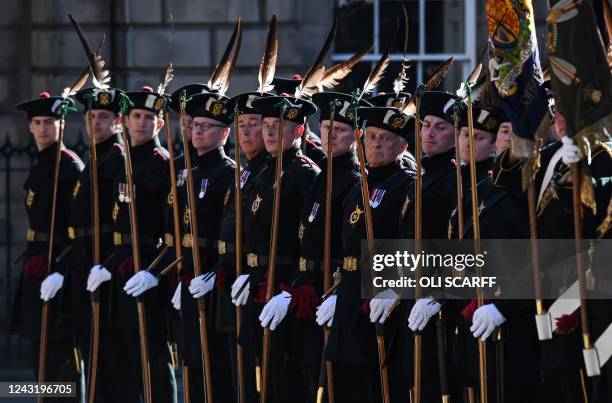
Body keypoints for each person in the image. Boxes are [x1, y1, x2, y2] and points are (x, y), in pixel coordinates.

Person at [87, 86, 177, 403]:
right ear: (125, 121)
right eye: (136, 116)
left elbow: (171, 231)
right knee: (121, 358)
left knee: (152, 359)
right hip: (119, 267)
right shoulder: (121, 162)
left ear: (160, 124)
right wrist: (107, 263)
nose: (141, 123)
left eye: (149, 117)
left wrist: (154, 272)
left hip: (146, 269)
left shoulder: (162, 164)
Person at [231, 94, 319, 402]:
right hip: (259, 278)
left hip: (283, 279)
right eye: (265, 125)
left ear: (297, 131)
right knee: (262, 371)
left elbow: (307, 240)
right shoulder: (266, 170)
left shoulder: (304, 173)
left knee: (287, 374)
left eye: (278, 126)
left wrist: (292, 288)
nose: (268, 132)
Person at [325, 104, 415, 403]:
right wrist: (337, 290)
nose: (376, 143)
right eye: (372, 136)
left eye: (385, 139)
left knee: (375, 385)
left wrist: (395, 289)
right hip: (350, 294)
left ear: (402, 147)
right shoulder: (358, 185)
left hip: (378, 298)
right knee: (345, 383)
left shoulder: (406, 186)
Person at [12, 91, 85, 401]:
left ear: (61, 125)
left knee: (60, 354)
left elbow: (76, 230)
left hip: (58, 265)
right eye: (37, 123)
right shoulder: (41, 162)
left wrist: (61, 269)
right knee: (39, 351)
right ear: (30, 127)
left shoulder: (67, 166)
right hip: (36, 262)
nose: (43, 128)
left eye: (50, 122)